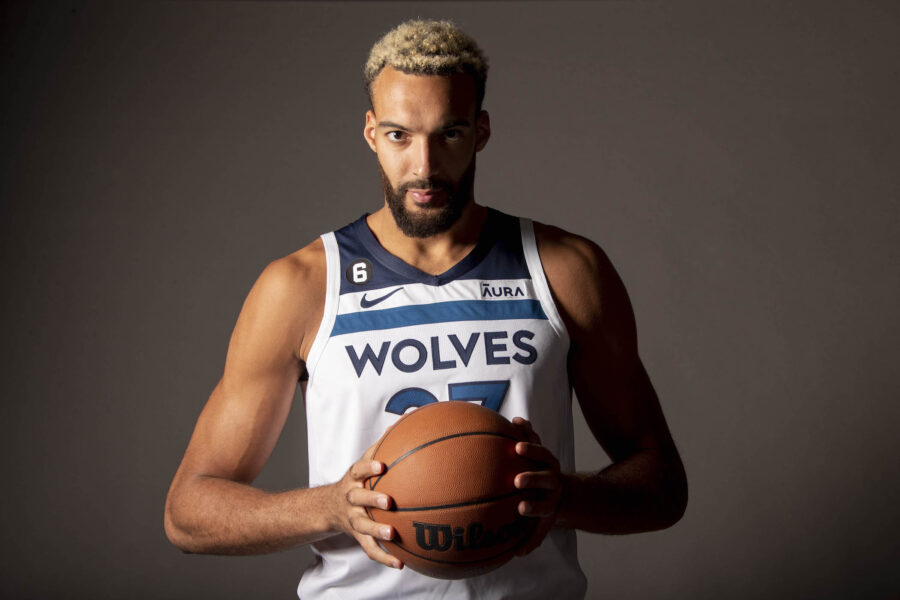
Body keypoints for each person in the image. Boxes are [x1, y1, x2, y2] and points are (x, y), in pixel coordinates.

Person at [164, 19, 687, 599]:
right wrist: (333, 507)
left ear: (481, 130)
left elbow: (662, 483)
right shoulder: (303, 285)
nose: (425, 166)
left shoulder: (565, 269)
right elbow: (188, 512)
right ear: (369, 132)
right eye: (399, 135)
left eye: (450, 134)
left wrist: (565, 497)